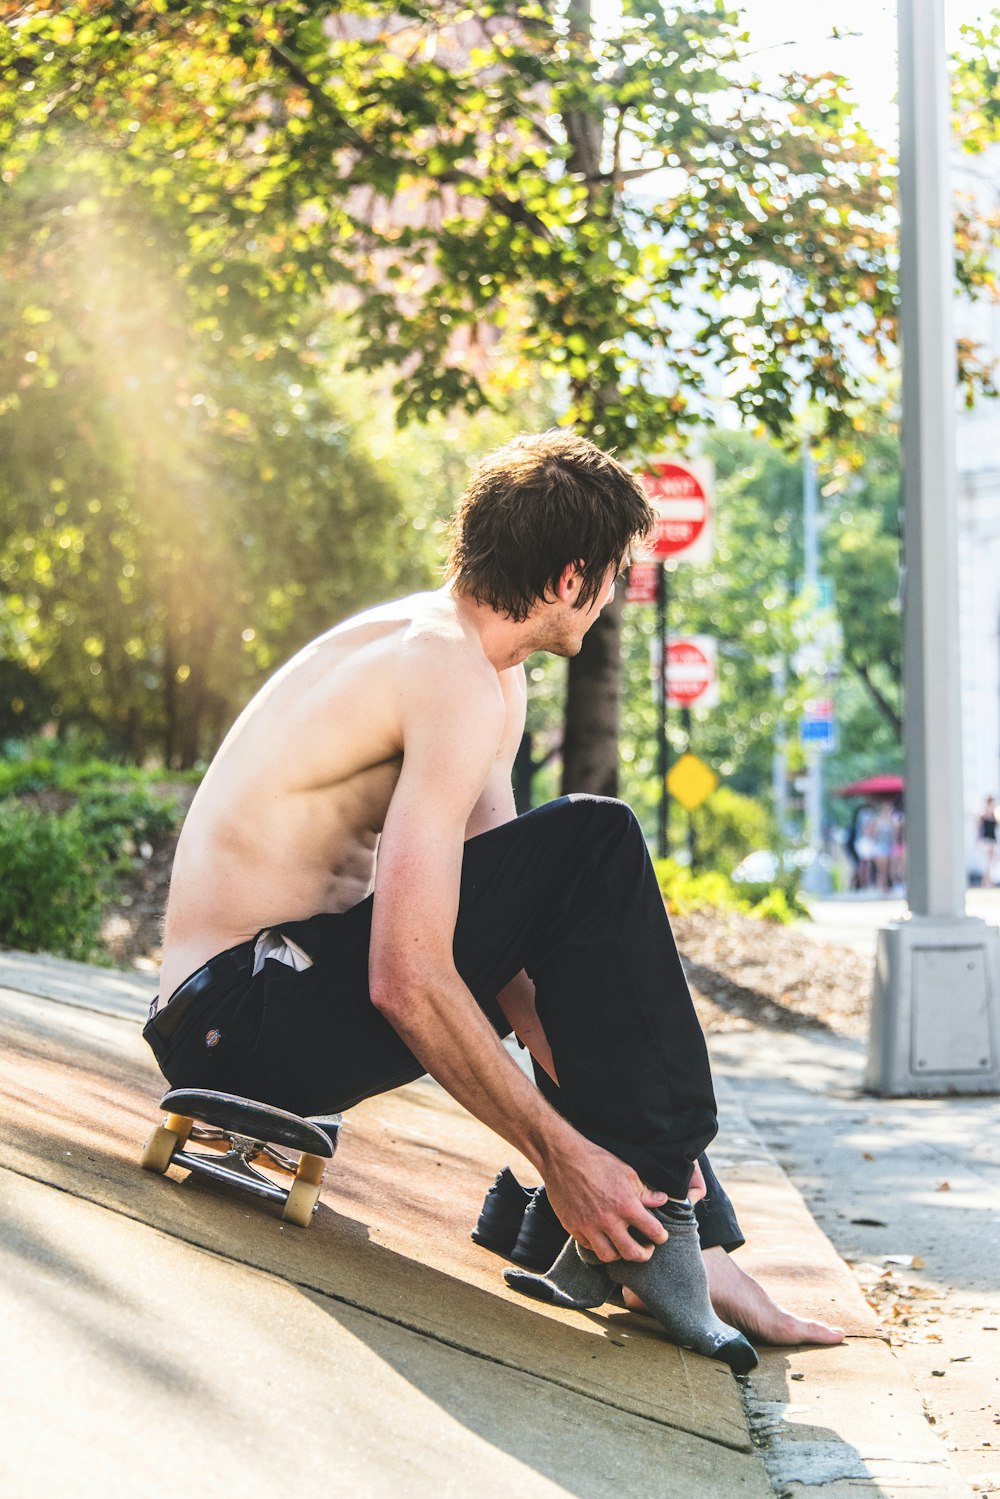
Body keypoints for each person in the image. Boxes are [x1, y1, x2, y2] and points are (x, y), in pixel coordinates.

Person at [145, 430, 841, 1361]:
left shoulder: (478, 669)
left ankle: (669, 1229)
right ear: (569, 578)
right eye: (614, 577)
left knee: (581, 860)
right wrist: (563, 1160)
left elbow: (519, 960)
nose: (615, 596)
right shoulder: (447, 672)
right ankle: (665, 1227)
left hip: (253, 1007)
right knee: (599, 838)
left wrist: (646, 1184)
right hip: (234, 1024)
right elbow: (407, 975)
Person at [978, 795, 997, 889]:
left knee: (992, 860)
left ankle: (988, 879)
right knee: (987, 861)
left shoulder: (994, 814)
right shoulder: (983, 815)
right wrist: (977, 840)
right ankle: (986, 880)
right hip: (986, 839)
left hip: (993, 839)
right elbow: (979, 829)